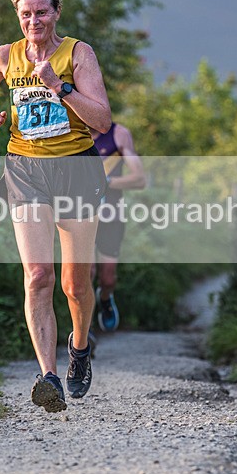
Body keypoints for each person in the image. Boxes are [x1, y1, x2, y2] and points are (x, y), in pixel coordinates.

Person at [0, 0, 112, 412]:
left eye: (42, 12)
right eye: (26, 13)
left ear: (56, 13)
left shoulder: (78, 54)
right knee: (37, 276)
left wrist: (59, 86)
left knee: (74, 284)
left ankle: (80, 348)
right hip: (25, 170)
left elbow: (102, 121)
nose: (34, 20)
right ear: (19, 16)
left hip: (76, 170)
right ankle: (48, 376)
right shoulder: (6, 55)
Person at [91, 122, 146, 332]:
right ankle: (84, 327)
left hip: (112, 215)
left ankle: (105, 298)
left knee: (107, 278)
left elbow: (139, 179)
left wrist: (105, 182)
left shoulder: (119, 134)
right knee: (86, 272)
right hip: (81, 214)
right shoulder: (70, 131)